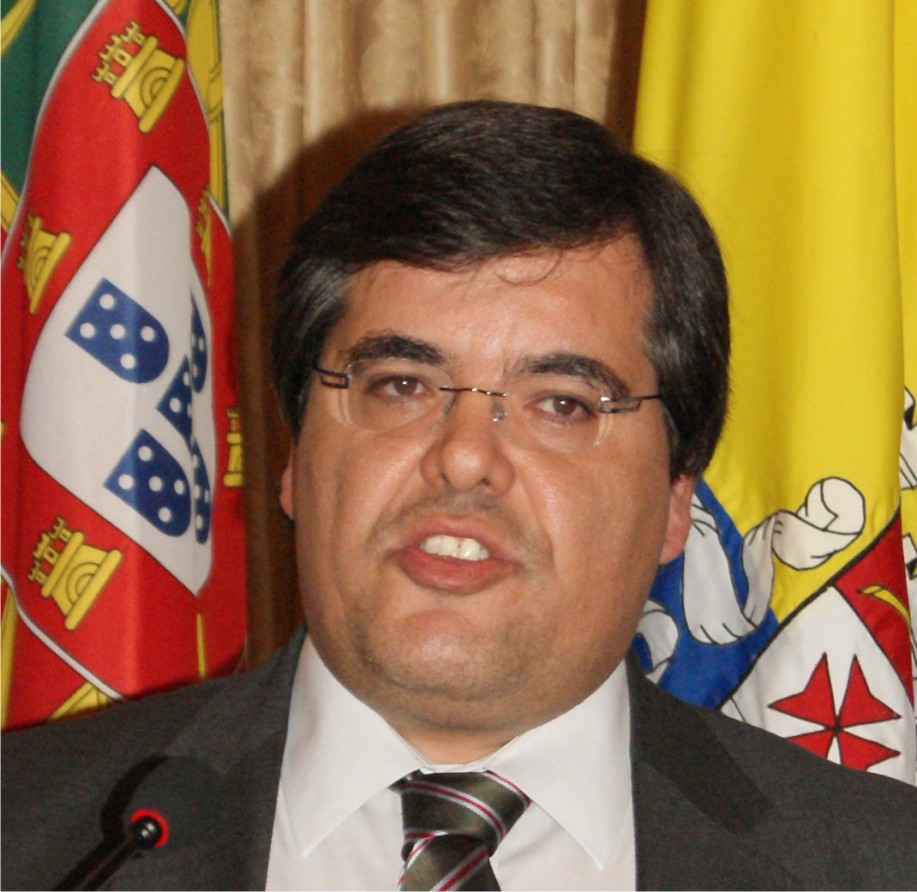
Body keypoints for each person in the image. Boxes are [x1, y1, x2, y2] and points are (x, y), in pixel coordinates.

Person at [2, 100, 916, 891]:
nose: (465, 458)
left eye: (561, 404)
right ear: (295, 454)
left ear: (678, 496)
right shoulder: (33, 835)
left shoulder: (875, 865)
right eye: (400, 385)